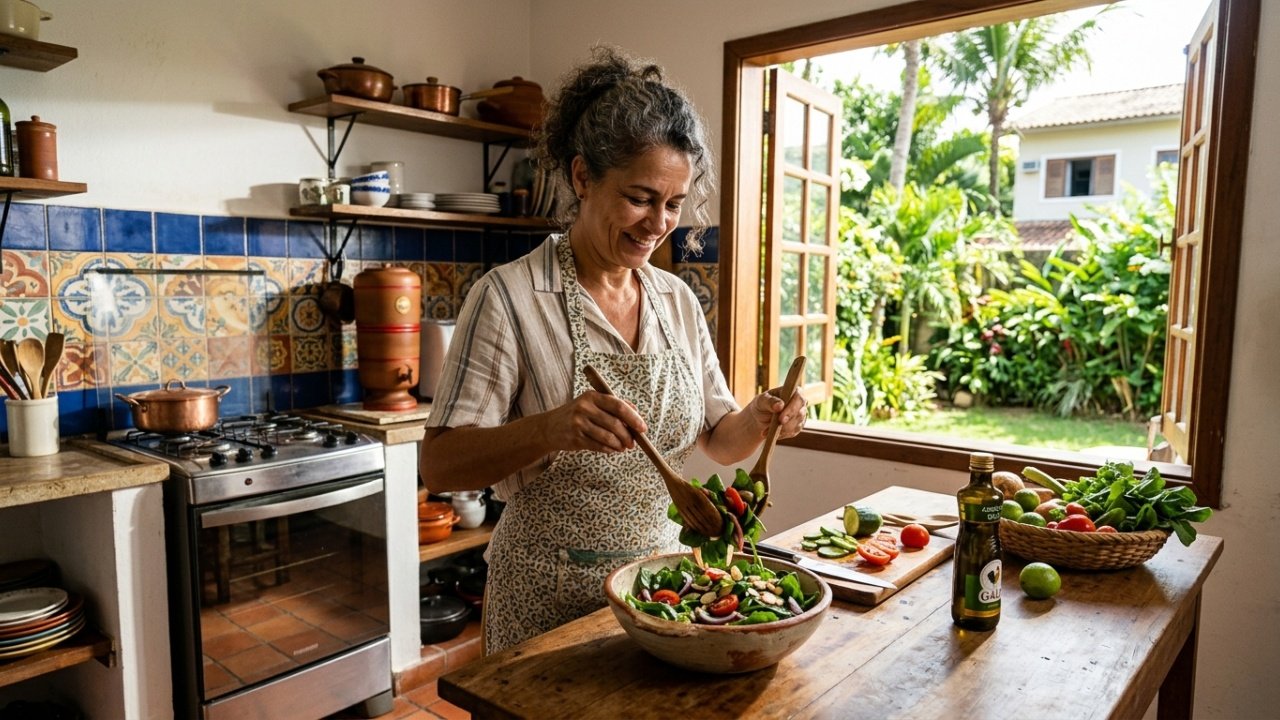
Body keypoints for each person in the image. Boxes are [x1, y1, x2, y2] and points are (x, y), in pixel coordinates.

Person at [418, 45, 807, 655]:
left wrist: (760, 418)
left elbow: (719, 438)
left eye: (674, 203)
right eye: (640, 197)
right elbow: (439, 465)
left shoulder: (676, 299)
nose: (658, 222)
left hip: (663, 595)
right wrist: (550, 428)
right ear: (581, 178)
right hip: (545, 600)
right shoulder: (510, 296)